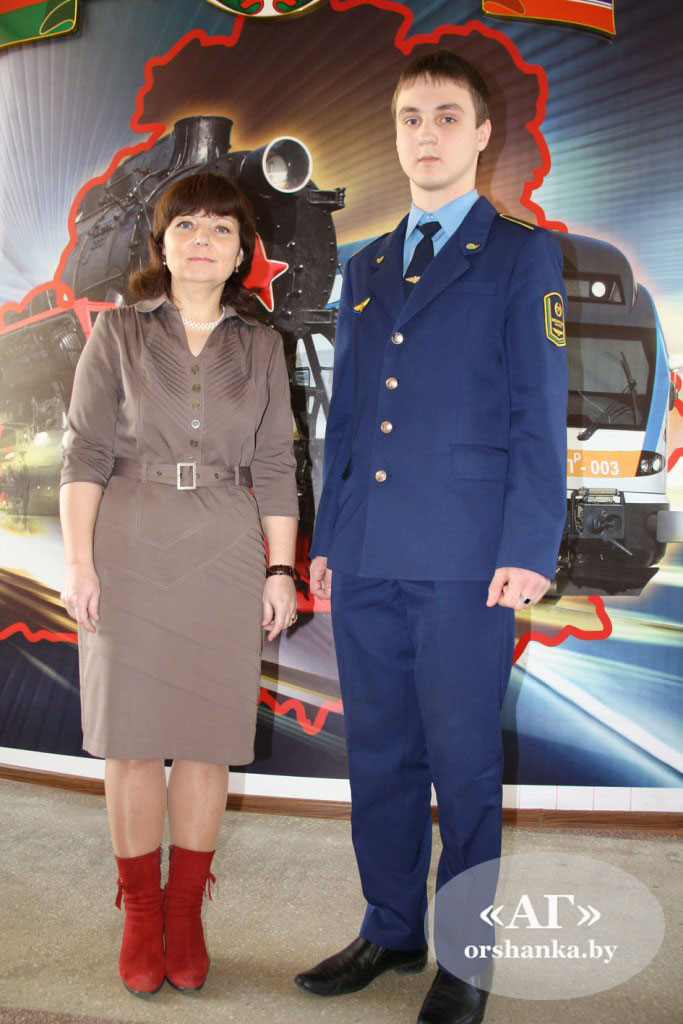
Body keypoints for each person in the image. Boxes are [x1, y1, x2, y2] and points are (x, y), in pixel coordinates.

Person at [294, 50, 568, 1024]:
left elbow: (538, 413)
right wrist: (329, 537)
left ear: (482, 133)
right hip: (368, 554)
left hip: (465, 560)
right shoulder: (365, 264)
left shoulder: (520, 254)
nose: (426, 134)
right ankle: (391, 927)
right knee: (378, 756)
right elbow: (346, 418)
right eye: (411, 117)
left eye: (447, 116)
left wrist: (527, 545)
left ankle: (465, 955)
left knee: (463, 765)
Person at [59, 171, 299, 996]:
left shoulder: (262, 347)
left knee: (207, 739)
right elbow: (85, 454)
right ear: (161, 244)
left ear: (241, 253)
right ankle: (139, 911)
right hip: (128, 541)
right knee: (129, 741)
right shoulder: (117, 333)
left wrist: (278, 569)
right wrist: (81, 562)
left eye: (221, 229)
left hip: (227, 547)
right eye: (187, 225)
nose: (203, 239)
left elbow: (276, 465)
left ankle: (185, 910)